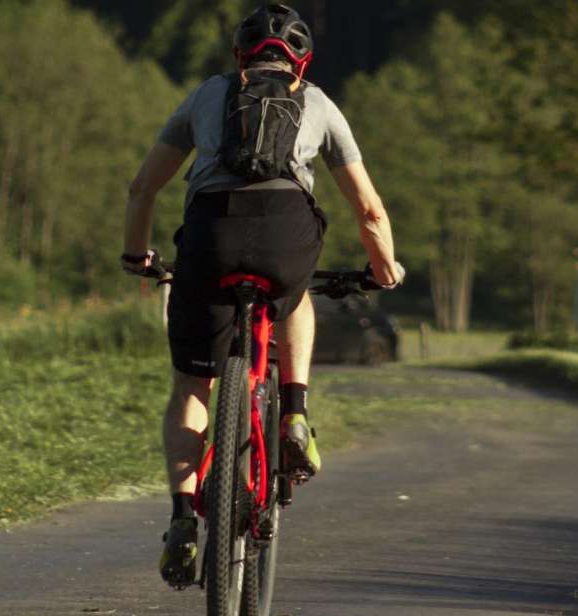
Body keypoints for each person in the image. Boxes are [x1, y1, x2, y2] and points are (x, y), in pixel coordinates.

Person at [119, 4, 403, 588]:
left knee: (192, 386)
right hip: (285, 231)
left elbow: (143, 186)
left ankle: (180, 517)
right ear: (303, 60)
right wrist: (383, 270)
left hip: (210, 232)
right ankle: (295, 411)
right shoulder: (320, 103)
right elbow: (369, 210)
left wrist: (135, 255)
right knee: (293, 296)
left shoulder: (205, 97)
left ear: (238, 55)